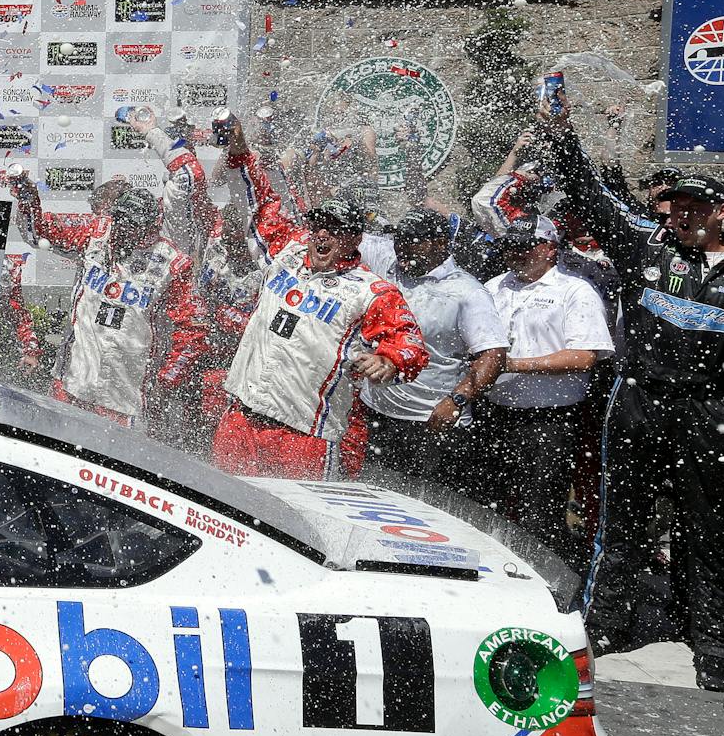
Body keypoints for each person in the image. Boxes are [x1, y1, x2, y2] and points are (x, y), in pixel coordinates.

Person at [550, 128, 724, 694]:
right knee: (621, 525)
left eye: (697, 207)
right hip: (639, 400)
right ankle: (602, 627)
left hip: (710, 408)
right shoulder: (646, 245)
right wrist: (562, 138)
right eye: (678, 205)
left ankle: (715, 646)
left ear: (722, 212)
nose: (684, 215)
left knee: (711, 531)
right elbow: (590, 196)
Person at [211, 117, 428, 480]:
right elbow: (260, 204)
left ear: (355, 239)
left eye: (336, 229)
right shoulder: (288, 252)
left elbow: (412, 346)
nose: (323, 235)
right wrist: (240, 151)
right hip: (240, 418)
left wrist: (389, 360)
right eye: (318, 226)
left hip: (303, 436)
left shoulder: (371, 292)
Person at [478, 215, 615, 570]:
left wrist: (512, 365)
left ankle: (541, 580)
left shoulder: (575, 291)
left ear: (551, 249)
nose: (517, 253)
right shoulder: (493, 286)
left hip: (550, 419)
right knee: (488, 505)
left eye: (526, 246)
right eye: (510, 246)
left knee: (539, 512)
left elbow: (584, 356)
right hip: (494, 412)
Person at [11, 178, 205, 429]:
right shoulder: (97, 233)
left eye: (131, 225)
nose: (122, 230)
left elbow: (192, 330)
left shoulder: (172, 264)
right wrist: (27, 197)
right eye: (119, 220)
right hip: (72, 382)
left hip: (124, 400)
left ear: (149, 228)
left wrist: (165, 380)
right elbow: (38, 232)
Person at [356, 210, 506, 496]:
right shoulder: (391, 264)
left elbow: (493, 355)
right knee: (367, 497)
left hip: (429, 423)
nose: (402, 248)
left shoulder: (467, 292)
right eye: (399, 240)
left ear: (440, 244)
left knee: (420, 507)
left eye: (412, 241)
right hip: (375, 413)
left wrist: (457, 400)